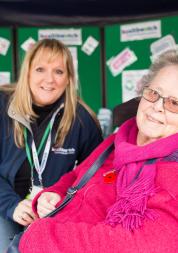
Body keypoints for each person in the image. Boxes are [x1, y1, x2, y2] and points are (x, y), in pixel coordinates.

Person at [19, 49, 178, 253]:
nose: (157, 106)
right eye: (154, 93)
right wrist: (54, 193)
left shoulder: (172, 169)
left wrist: (41, 236)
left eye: (174, 103)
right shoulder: (118, 140)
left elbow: (144, 245)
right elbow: (78, 175)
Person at [0, 39, 103, 252]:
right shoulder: (3, 106)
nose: (49, 80)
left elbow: (97, 178)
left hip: (53, 212)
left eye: (58, 71)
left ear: (68, 79)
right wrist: (12, 205)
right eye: (40, 69)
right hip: (5, 207)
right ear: (27, 73)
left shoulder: (82, 119)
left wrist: (63, 200)